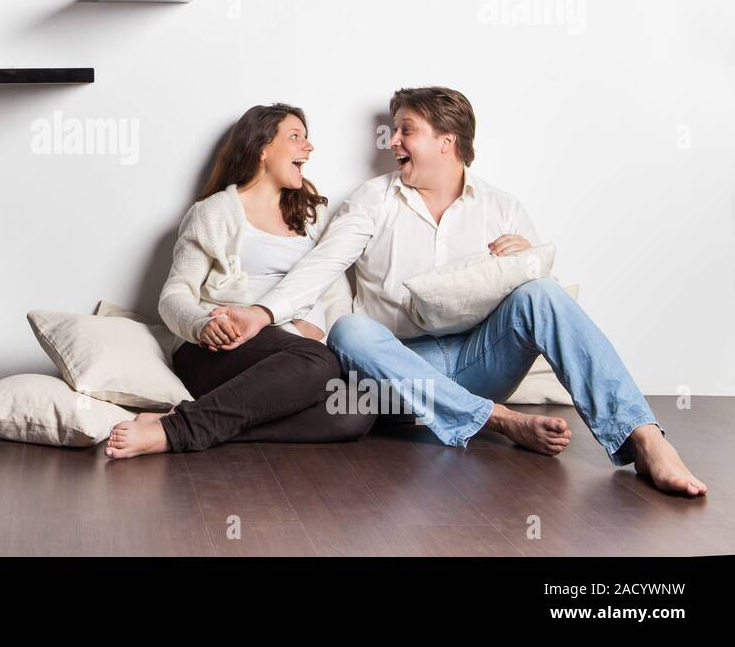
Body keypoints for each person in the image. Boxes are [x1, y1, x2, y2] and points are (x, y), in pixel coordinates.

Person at [197, 86, 706, 496]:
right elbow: (321, 266)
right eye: (393, 130)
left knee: (545, 295)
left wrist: (525, 261)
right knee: (350, 331)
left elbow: (537, 311)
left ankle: (643, 437)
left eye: (406, 131)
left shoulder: (502, 208)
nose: (392, 141)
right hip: (392, 378)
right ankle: (497, 420)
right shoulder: (373, 201)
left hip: (477, 362)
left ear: (447, 141)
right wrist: (263, 313)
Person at [105, 103, 375, 459]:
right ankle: (176, 432)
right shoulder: (213, 213)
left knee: (356, 409)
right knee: (317, 361)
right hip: (220, 348)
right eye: (295, 137)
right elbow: (174, 294)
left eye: (307, 139)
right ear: (262, 148)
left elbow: (334, 292)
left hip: (295, 360)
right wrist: (201, 325)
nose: (308, 147)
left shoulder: (314, 214)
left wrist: (325, 337)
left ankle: (181, 424)